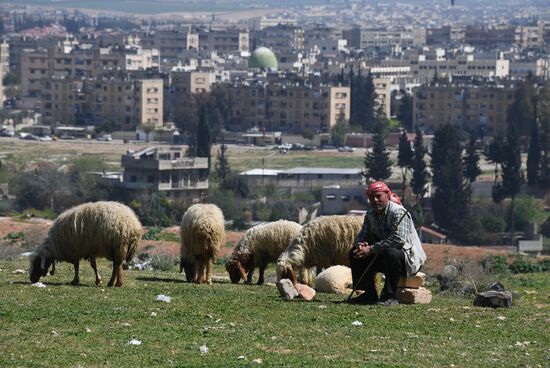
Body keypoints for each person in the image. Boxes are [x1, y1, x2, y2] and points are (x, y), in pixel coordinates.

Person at [348, 181, 426, 306]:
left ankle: (390, 295)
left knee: (390, 252)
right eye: (371, 197)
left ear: (387, 196)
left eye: (378, 196)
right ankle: (369, 294)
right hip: (382, 256)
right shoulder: (370, 214)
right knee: (354, 253)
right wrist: (360, 245)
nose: (375, 200)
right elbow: (363, 234)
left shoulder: (398, 212)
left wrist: (371, 249)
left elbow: (398, 239)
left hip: (406, 259)